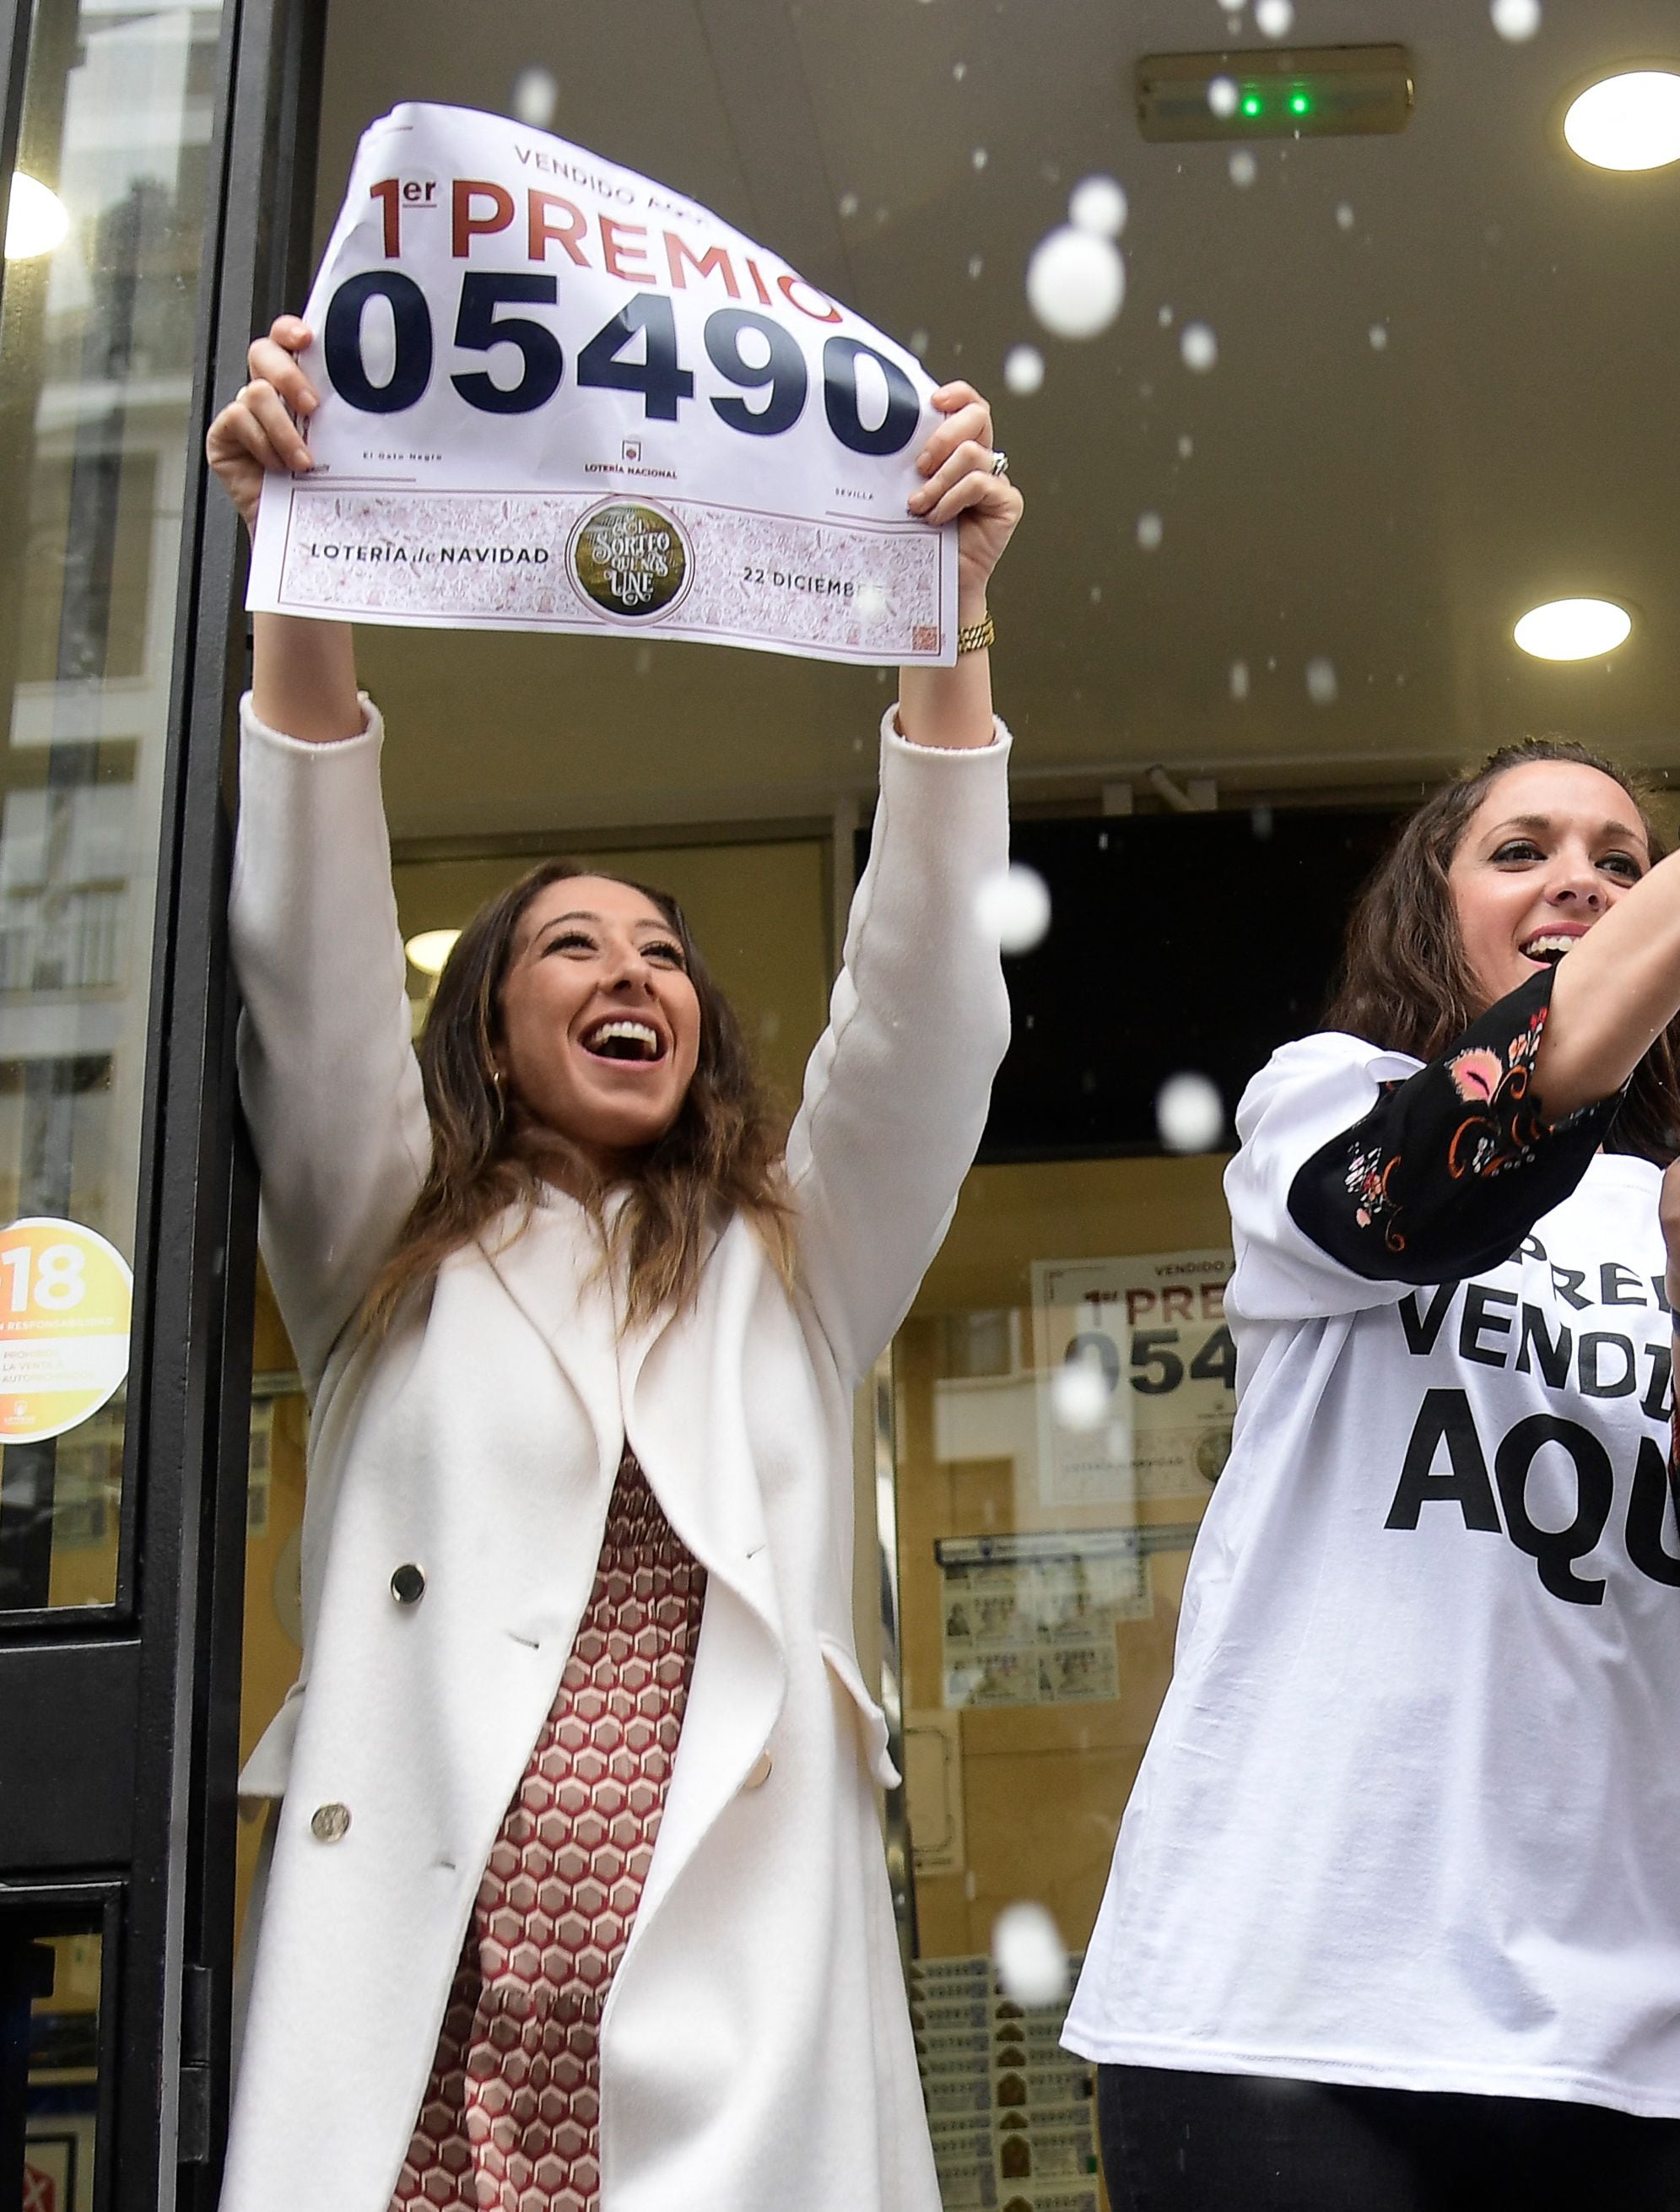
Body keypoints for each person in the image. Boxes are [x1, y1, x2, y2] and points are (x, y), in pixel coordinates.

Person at [205, 313, 1024, 2212]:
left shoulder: (794, 1264)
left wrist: (946, 617)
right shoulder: (382, 1251)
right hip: (432, 2035)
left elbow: (924, 1015)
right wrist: (302, 558)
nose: (631, 972)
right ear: (489, 1031)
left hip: (734, 2050)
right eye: (569, 950)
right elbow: (313, 963)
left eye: (660, 951)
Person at [1066, 722, 1680, 2210]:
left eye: (1619, 860)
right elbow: (1420, 1192)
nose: (1576, 880)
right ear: (1427, 912)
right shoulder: (1324, 1102)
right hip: (1282, 2007)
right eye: (1519, 851)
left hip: (1630, 2041)